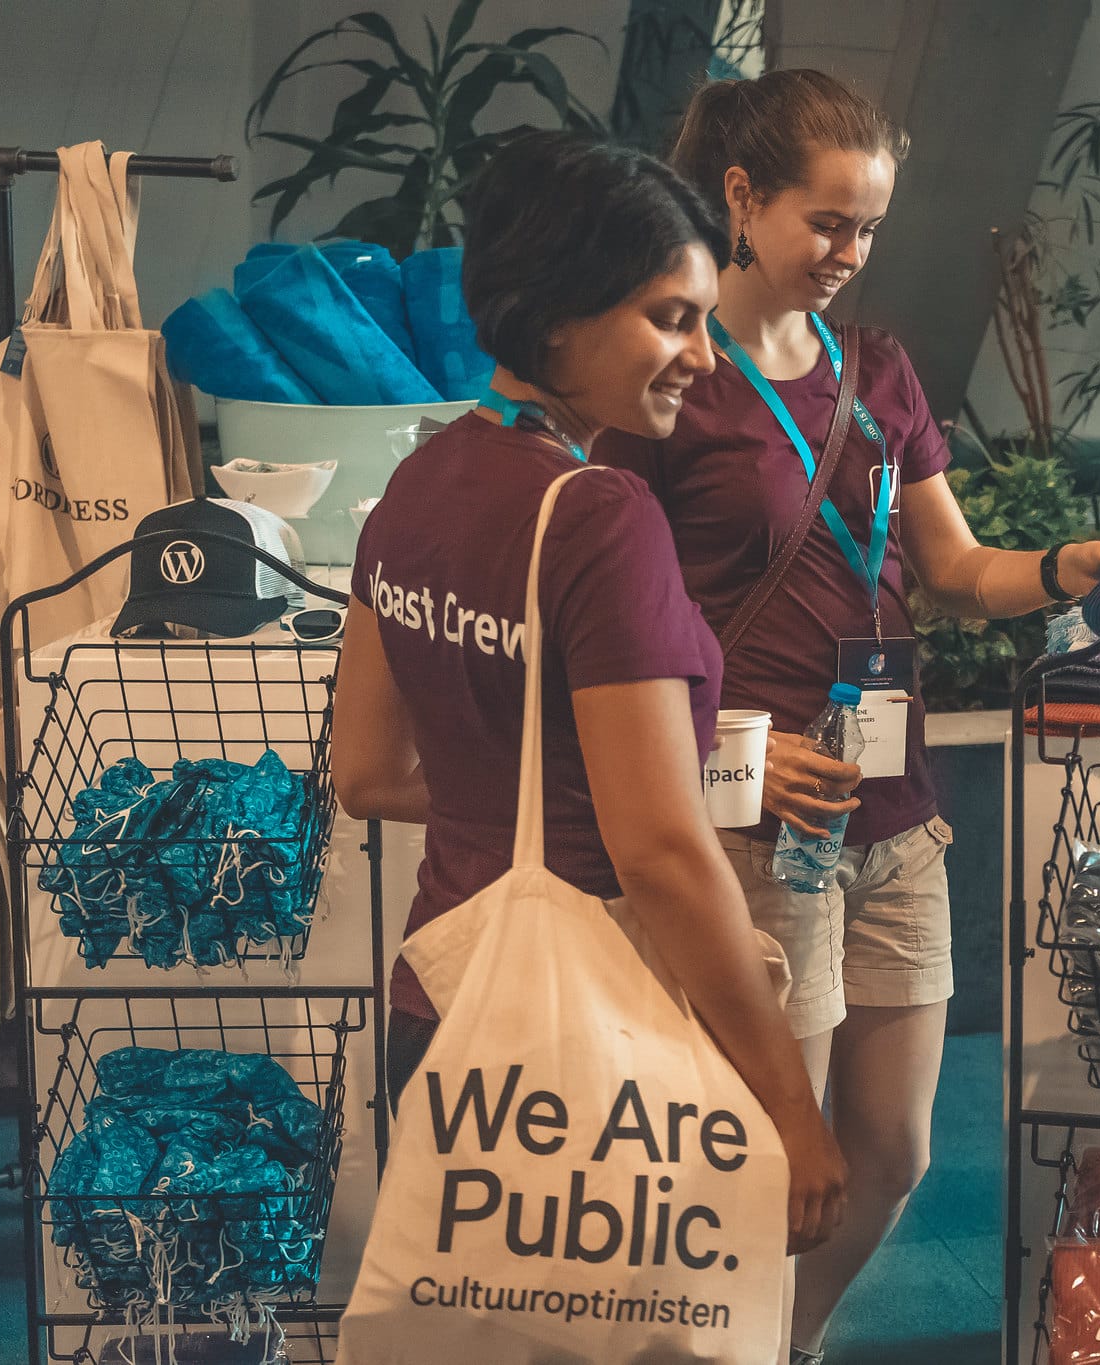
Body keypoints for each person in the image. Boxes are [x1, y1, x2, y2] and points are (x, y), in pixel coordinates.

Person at [597, 69, 1100, 1361]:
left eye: (868, 230)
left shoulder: (882, 369)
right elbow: (613, 635)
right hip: (750, 827)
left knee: (894, 1152)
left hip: (895, 815)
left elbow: (959, 571)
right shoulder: (671, 382)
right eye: (827, 223)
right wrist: (726, 753)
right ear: (741, 197)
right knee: (762, 1159)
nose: (850, 256)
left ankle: (773, 1343)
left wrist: (1062, 570)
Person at [329, 131, 847, 1264]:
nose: (703, 358)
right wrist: (794, 1108)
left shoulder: (415, 486)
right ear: (553, 313)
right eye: (671, 317)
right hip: (588, 1041)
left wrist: (532, 797)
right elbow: (658, 849)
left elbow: (366, 776)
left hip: (446, 1008)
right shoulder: (598, 517)